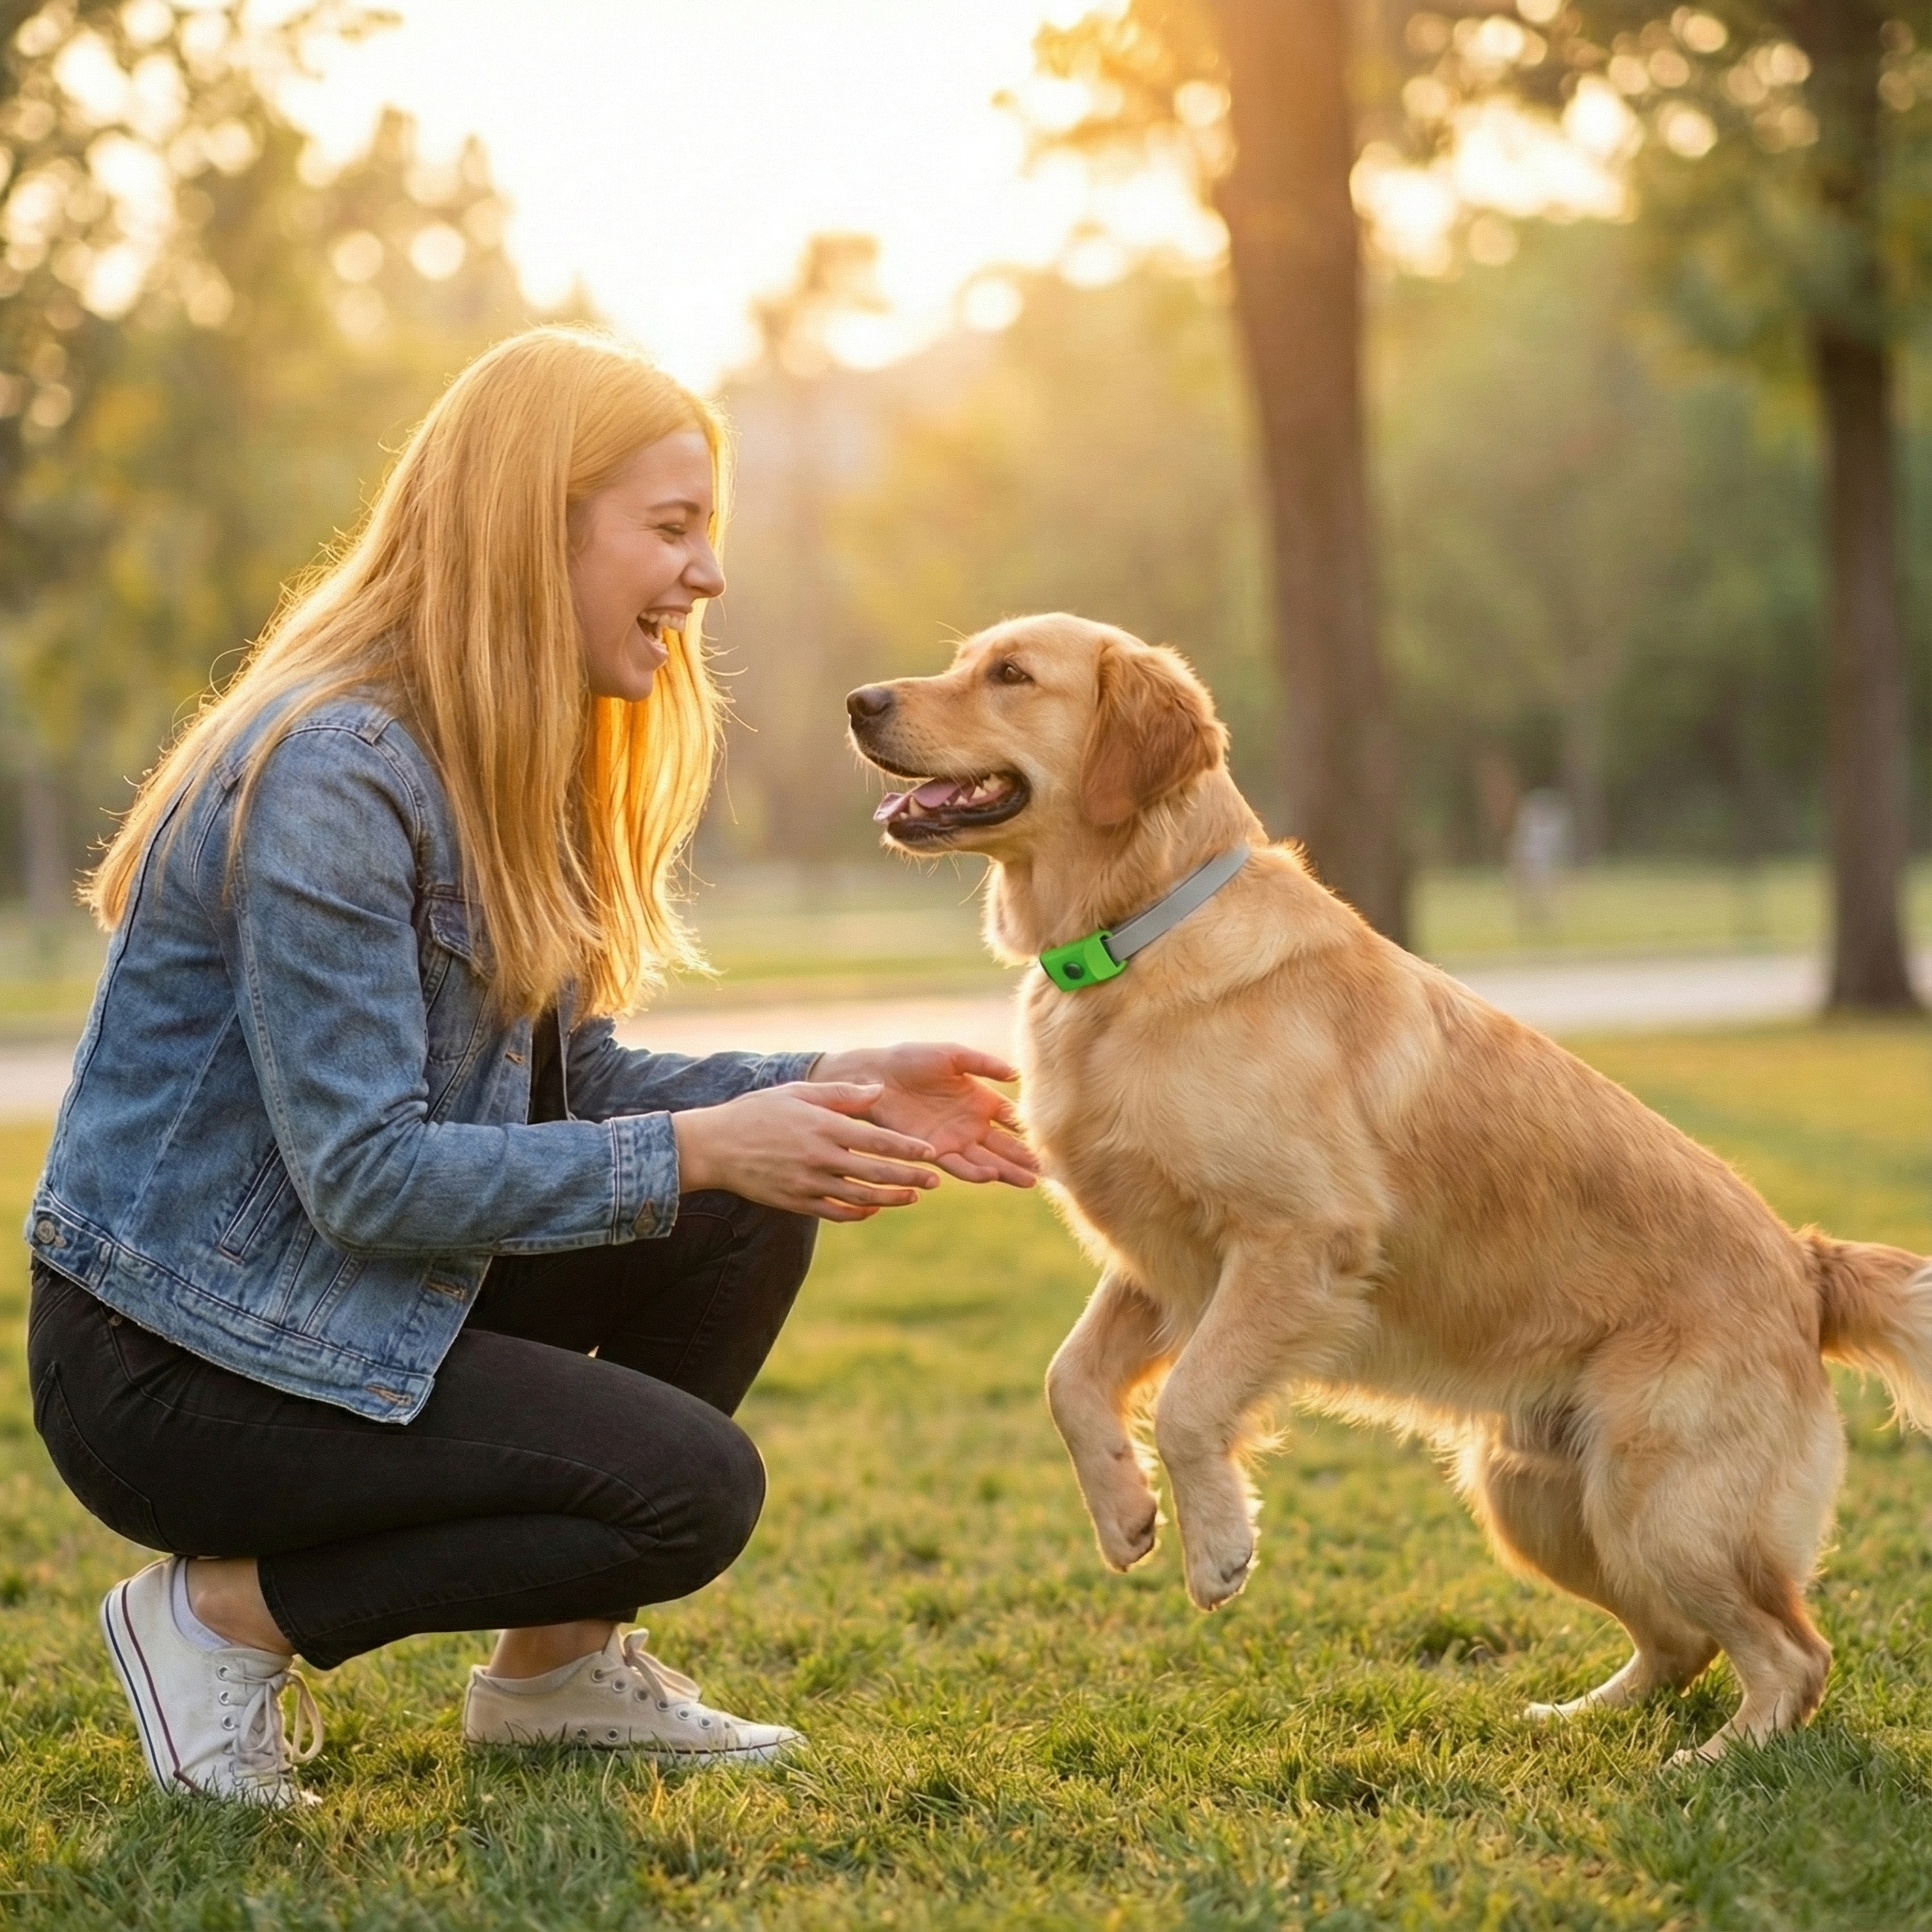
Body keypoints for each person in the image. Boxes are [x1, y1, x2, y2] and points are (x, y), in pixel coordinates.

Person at [24, 326, 1035, 1806]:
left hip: (325, 1294)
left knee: (754, 1199)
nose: (708, 576)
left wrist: (833, 1076)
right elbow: (367, 1175)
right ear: (530, 522)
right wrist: (705, 1147)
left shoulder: (498, 752)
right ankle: (213, 1622)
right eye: (672, 528)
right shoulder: (333, 772)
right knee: (690, 1491)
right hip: (177, 1361)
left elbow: (577, 1087)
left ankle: (554, 1674)